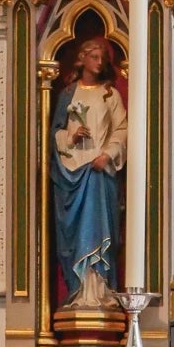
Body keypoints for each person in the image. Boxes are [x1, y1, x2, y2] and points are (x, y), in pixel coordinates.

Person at [49, 33, 126, 307]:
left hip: (98, 173)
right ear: (82, 60)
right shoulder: (68, 94)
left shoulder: (110, 94)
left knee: (100, 229)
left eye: (103, 58)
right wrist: (70, 135)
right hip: (73, 172)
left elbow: (123, 129)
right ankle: (80, 291)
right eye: (94, 57)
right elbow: (54, 132)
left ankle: (101, 290)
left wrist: (108, 154)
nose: (99, 62)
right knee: (76, 231)